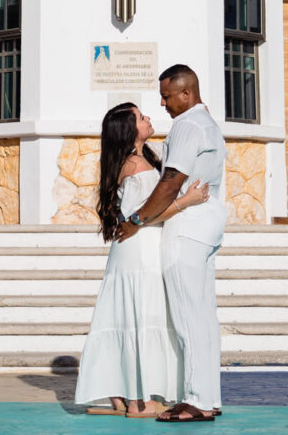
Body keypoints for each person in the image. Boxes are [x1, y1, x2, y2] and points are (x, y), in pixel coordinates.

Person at [75, 102, 209, 417]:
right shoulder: (134, 165)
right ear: (128, 129)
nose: (147, 117)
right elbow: (143, 216)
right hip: (141, 250)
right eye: (140, 116)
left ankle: (121, 396)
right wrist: (186, 201)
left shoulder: (140, 158)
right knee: (144, 315)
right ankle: (141, 400)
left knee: (128, 317)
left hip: (137, 249)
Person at [116, 64, 227, 423]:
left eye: (166, 96)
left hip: (187, 228)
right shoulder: (207, 123)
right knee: (204, 316)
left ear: (186, 93)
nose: (163, 104)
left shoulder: (188, 125)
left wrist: (136, 220)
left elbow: (170, 183)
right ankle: (209, 397)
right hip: (207, 226)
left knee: (187, 317)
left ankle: (195, 401)